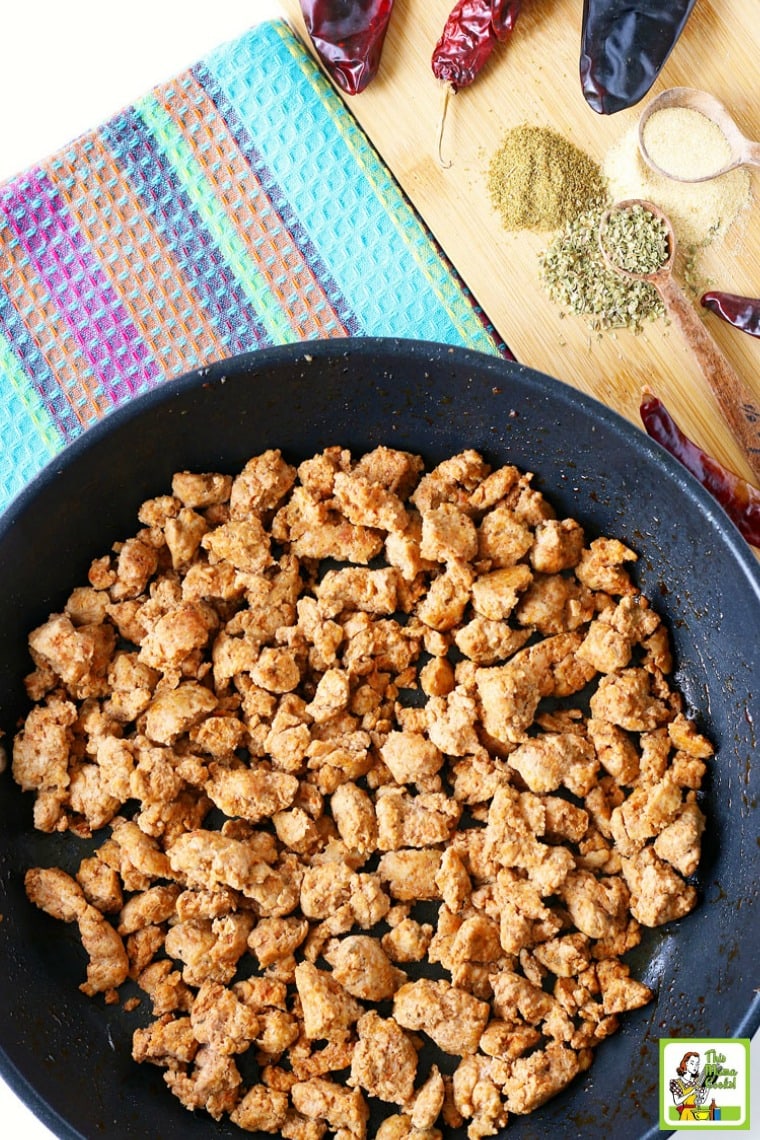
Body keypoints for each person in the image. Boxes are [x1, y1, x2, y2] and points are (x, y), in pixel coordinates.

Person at [670, 1051, 710, 1121]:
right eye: (692, 1063)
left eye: (697, 1064)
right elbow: (677, 1101)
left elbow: (701, 1100)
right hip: (686, 1115)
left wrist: (708, 1087)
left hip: (696, 1114)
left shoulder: (697, 1082)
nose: (695, 1066)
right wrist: (691, 1093)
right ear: (686, 1063)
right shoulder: (676, 1082)